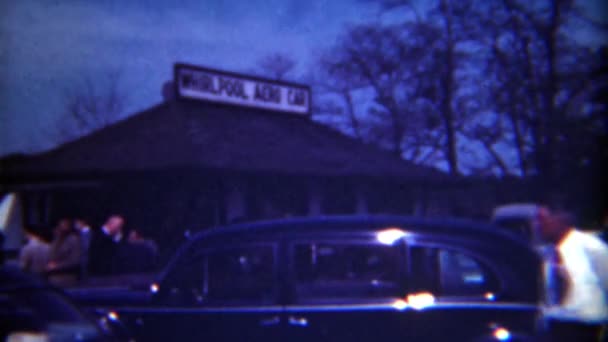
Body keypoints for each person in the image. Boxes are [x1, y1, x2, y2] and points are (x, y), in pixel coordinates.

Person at [537, 207, 608, 341]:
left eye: (542, 220)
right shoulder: (547, 252)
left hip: (586, 324)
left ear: (559, 221)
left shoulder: (591, 246)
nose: (537, 226)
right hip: (556, 322)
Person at [47, 219, 82, 286]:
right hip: (52, 278)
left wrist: (57, 266)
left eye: (65, 225)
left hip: (66, 279)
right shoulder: (56, 239)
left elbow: (75, 261)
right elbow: (51, 255)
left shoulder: (73, 240)